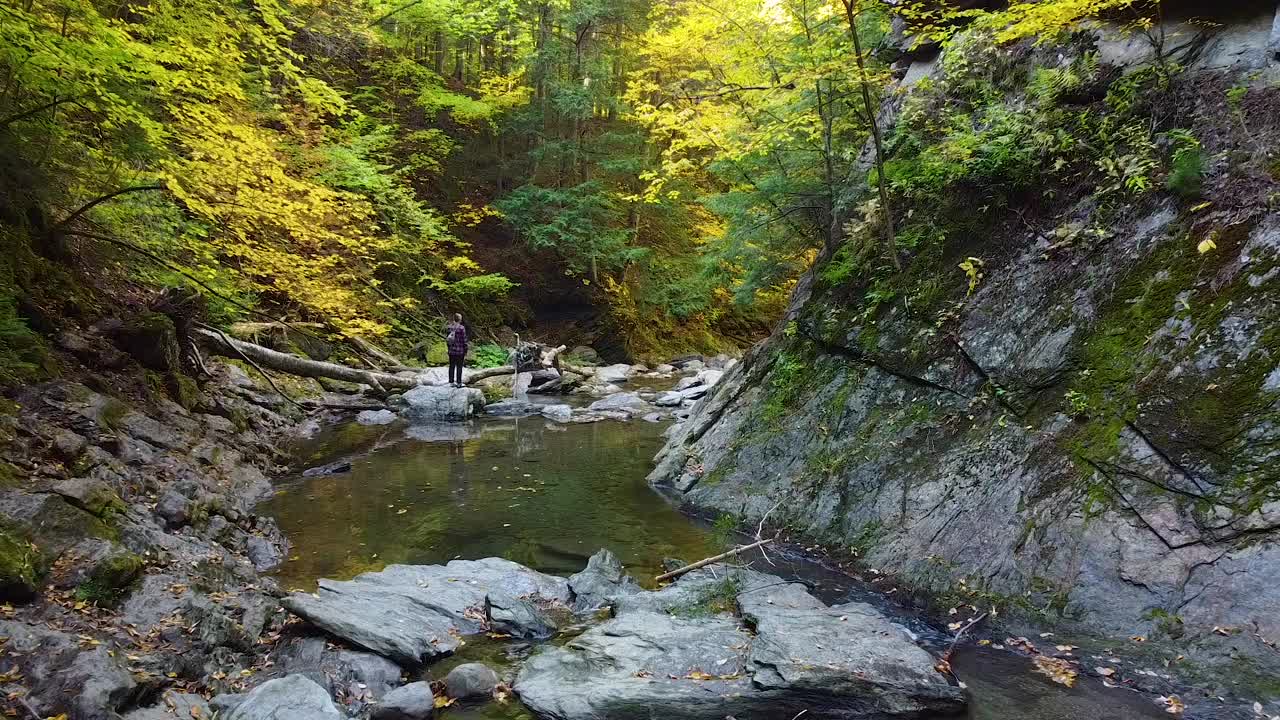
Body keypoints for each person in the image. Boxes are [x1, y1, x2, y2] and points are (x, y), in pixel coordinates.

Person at [445, 313, 468, 388]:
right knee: (459, 367)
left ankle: (451, 382)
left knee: (451, 366)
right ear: (460, 319)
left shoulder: (449, 327)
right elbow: (464, 340)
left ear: (454, 319)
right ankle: (459, 383)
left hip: (451, 351)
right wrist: (466, 349)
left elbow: (447, 339)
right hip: (460, 351)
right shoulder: (461, 328)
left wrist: (449, 348)